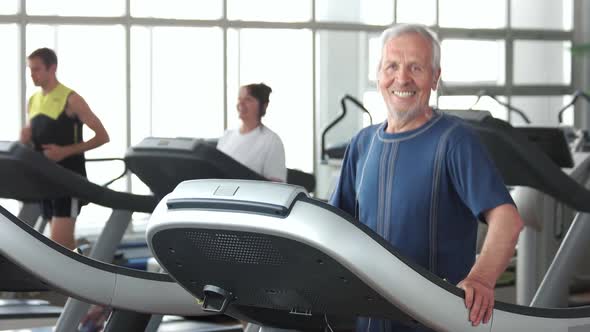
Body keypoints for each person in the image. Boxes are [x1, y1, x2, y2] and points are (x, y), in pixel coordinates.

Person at [329, 24, 524, 332]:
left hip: (432, 321)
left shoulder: (455, 140)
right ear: (378, 74)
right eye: (392, 66)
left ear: (434, 78)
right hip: (369, 319)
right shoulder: (362, 143)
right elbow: (335, 226)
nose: (402, 78)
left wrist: (481, 278)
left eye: (416, 68)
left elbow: (507, 220)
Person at [20, 47, 110, 250]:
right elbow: (36, 141)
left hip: (68, 179)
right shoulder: (33, 100)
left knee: (58, 247)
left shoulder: (71, 99)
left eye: (36, 69)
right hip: (45, 179)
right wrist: (24, 139)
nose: (32, 75)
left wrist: (64, 152)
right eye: (30, 70)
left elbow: (103, 137)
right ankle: (84, 265)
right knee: (64, 246)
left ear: (52, 68)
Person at [217, 83, 287, 182]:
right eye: (239, 99)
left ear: (264, 105)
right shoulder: (227, 136)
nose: (241, 103)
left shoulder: (272, 141)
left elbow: (277, 185)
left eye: (248, 99)